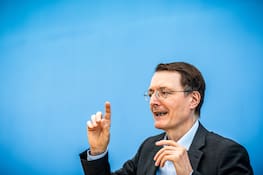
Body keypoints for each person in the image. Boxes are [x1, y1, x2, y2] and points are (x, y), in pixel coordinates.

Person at [79, 62, 253, 175]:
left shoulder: (228, 154)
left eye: (164, 93)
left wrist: (188, 173)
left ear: (193, 99)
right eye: (151, 94)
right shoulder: (148, 148)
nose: (153, 101)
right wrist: (97, 152)